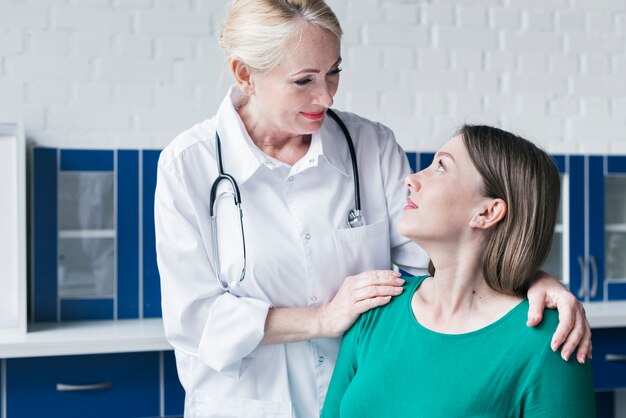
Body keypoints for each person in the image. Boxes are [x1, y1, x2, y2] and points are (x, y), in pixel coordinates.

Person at [154, 1, 591, 416]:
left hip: (360, 391)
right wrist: (323, 319)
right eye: (304, 80)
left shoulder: (370, 145)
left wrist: (531, 277)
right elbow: (195, 319)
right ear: (245, 74)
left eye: (334, 72)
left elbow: (444, 256)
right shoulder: (189, 166)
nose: (325, 97)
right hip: (246, 405)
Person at [322, 125, 596, 417]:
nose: (412, 179)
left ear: (487, 212)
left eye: (440, 167)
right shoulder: (374, 311)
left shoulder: (548, 341)